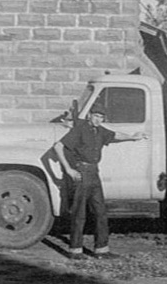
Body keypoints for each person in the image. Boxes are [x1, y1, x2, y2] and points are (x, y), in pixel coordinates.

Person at [53, 103, 147, 260]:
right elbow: (58, 146)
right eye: (96, 116)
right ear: (89, 115)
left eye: (101, 117)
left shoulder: (100, 131)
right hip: (82, 173)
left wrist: (133, 137)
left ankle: (101, 250)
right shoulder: (79, 129)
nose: (98, 120)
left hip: (94, 173)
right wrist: (69, 170)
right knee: (79, 213)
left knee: (100, 212)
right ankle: (75, 251)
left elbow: (115, 135)